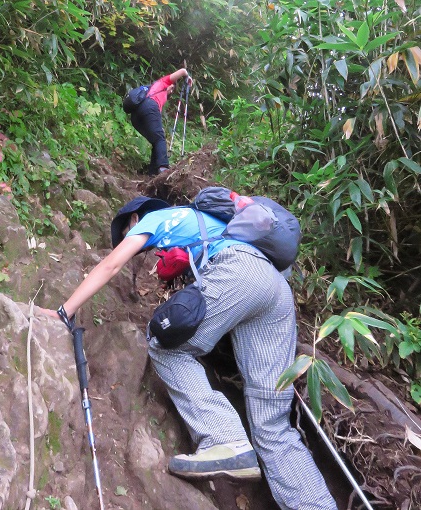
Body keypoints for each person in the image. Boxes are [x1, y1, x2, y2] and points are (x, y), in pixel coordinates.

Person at [42, 197, 338, 510]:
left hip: (240, 270)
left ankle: (224, 438)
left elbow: (111, 264)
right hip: (277, 291)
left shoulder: (153, 221)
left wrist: (64, 312)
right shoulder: (213, 222)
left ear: (135, 217)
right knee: (273, 426)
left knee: (166, 345)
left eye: (127, 228)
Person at [130, 67, 191, 176]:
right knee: (159, 138)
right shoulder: (163, 82)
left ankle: (153, 174)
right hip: (149, 107)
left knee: (156, 140)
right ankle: (163, 170)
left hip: (136, 116)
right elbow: (182, 71)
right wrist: (187, 77)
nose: (171, 91)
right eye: (172, 88)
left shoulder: (152, 91)